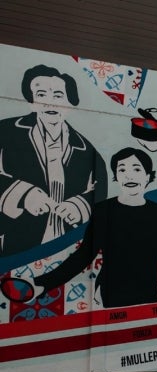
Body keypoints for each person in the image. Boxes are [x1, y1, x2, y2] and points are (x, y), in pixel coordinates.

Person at [33, 148, 157, 308]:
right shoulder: (103, 210)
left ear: (147, 176)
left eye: (136, 169)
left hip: (146, 293)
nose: (128, 175)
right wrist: (43, 284)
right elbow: (83, 255)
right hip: (110, 293)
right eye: (122, 170)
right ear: (116, 177)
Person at [0, 64, 107, 256]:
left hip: (68, 247)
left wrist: (79, 206)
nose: (51, 102)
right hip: (16, 245)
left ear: (70, 104)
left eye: (58, 95)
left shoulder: (87, 150)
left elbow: (99, 189)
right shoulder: (6, 132)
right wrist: (23, 194)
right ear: (31, 102)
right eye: (41, 94)